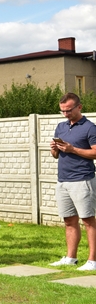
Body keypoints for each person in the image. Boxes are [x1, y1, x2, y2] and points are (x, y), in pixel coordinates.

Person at [49, 92, 96, 270]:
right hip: (63, 180)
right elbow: (55, 156)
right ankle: (71, 258)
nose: (66, 114)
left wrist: (73, 149)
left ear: (79, 107)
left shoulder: (90, 128)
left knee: (88, 220)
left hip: (82, 179)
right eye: (62, 111)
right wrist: (54, 149)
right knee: (69, 221)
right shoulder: (61, 127)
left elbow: (95, 152)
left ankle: (93, 261)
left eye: (69, 110)